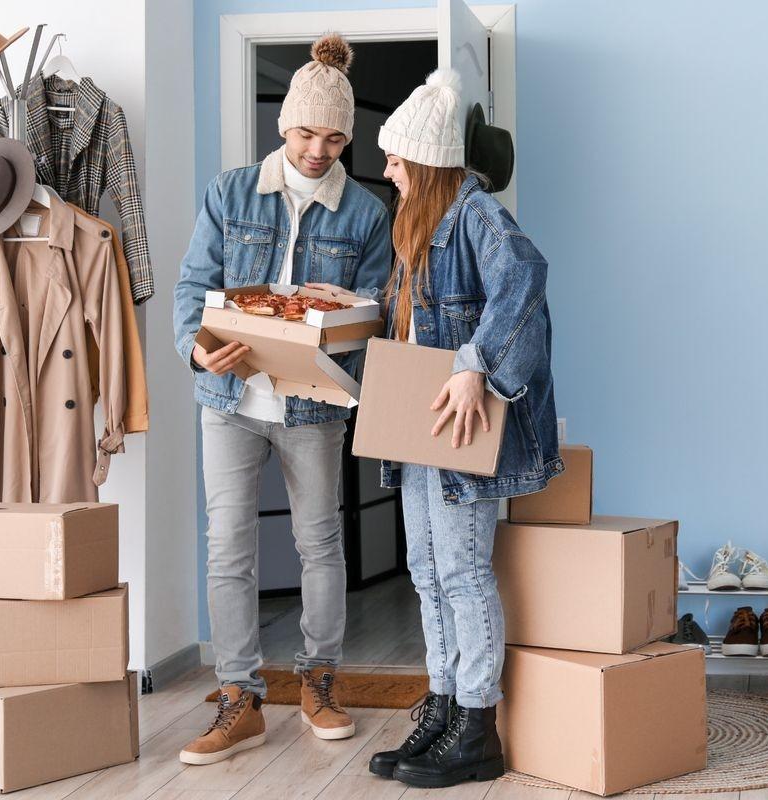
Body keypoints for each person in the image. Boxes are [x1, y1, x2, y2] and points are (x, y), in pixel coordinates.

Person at [172, 33, 390, 765]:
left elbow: (383, 314)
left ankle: (318, 682)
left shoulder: (365, 213)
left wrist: (346, 316)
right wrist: (198, 347)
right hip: (230, 395)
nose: (318, 151)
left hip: (314, 404)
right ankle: (239, 698)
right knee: (229, 546)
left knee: (319, 543)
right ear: (282, 127)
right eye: (305, 134)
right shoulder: (229, 192)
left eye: (333, 138)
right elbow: (188, 292)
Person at [365, 70, 563, 789]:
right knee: (426, 572)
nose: (386, 168)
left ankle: (478, 727)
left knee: (462, 574)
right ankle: (444, 707)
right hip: (421, 430)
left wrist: (475, 363)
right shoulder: (420, 228)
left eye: (395, 158)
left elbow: (525, 281)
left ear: (425, 161)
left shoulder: (477, 216)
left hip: (462, 431)